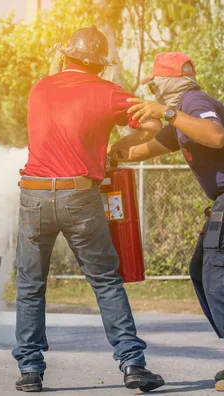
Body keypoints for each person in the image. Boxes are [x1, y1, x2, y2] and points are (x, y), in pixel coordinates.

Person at [13, 25, 165, 393]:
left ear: (66, 55)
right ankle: (132, 364)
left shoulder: (40, 88)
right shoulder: (108, 92)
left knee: (30, 285)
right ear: (101, 65)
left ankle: (30, 371)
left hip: (32, 194)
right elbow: (153, 123)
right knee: (105, 281)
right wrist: (118, 146)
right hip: (79, 195)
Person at [110, 51, 224, 392]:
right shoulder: (181, 119)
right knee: (200, 270)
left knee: (216, 277)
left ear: (171, 79)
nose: (154, 91)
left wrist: (167, 112)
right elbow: (143, 150)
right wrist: (110, 152)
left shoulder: (194, 101)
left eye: (155, 83)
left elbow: (217, 136)